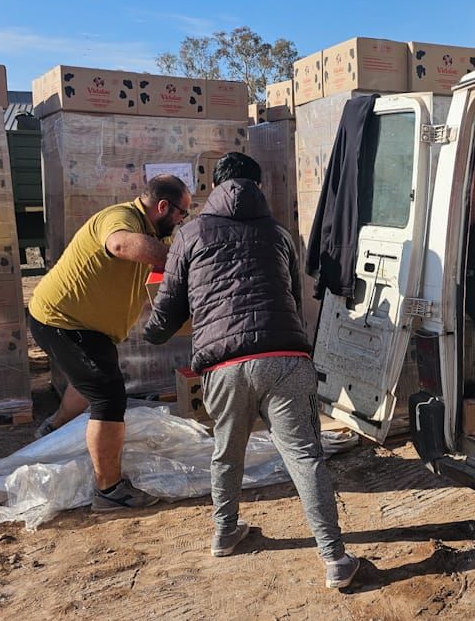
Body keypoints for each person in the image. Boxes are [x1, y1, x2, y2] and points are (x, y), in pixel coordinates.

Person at [143, 152, 359, 589]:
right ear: (257, 187)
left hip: (223, 365)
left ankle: (225, 534)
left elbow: (168, 309)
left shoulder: (190, 232)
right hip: (285, 358)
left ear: (215, 188)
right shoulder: (279, 234)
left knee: (227, 451)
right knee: (303, 457)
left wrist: (152, 334)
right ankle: (334, 558)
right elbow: (293, 302)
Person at [27, 175, 192, 510]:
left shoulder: (151, 229)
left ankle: (53, 427)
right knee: (108, 395)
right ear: (163, 206)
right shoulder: (121, 218)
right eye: (180, 214)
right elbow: (118, 244)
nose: (181, 221)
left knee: (90, 378)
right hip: (62, 321)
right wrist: (182, 262)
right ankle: (109, 491)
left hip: (88, 328)